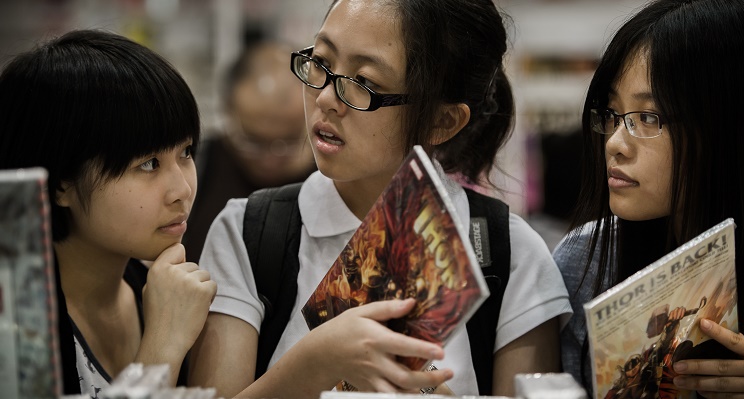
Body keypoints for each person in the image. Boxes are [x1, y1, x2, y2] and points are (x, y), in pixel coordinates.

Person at [189, 0, 572, 397]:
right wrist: (314, 363)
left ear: (442, 121)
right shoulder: (249, 232)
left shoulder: (511, 254)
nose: (326, 99)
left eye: (365, 83)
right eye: (321, 62)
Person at [554, 0, 744, 397]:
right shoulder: (586, 259)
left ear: (735, 131)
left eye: (650, 117)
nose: (615, 143)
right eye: (613, 113)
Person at [0, 30, 218, 395]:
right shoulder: (16, 325)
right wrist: (163, 346)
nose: (182, 190)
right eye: (148, 164)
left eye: (186, 152)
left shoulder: (159, 289)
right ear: (60, 185)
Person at [182, 41, 316, 262]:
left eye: (288, 142)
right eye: (253, 142)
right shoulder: (195, 166)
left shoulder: (335, 177)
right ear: (228, 110)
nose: (269, 160)